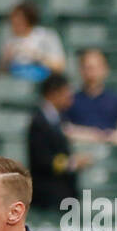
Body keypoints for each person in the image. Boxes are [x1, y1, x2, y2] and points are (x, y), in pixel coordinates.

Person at [28, 74, 90, 215]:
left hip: (63, 194)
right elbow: (42, 160)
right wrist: (72, 163)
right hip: (49, 196)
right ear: (54, 93)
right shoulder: (39, 121)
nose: (69, 97)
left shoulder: (58, 118)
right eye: (66, 92)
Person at [64, 48, 117, 149]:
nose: (92, 72)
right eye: (87, 67)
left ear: (105, 69)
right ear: (80, 70)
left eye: (96, 67)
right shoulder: (69, 101)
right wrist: (94, 136)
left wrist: (113, 138)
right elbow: (65, 130)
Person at [0, 1, 66, 82]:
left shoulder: (47, 36)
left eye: (19, 20)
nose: (15, 23)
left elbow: (59, 67)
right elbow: (2, 72)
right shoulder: (9, 41)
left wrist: (36, 56)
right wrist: (7, 60)